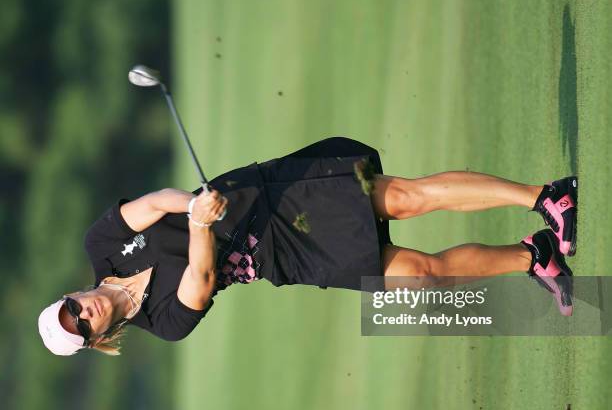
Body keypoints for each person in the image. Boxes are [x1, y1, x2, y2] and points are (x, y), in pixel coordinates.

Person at [37, 137, 578, 356]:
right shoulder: (166, 325)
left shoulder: (103, 243)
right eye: (81, 329)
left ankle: (545, 196)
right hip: (281, 257)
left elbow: (153, 203)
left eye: (71, 311)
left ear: (70, 295)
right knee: (420, 277)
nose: (84, 316)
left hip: (264, 200)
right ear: (96, 340)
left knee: (404, 199)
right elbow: (199, 281)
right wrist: (201, 227)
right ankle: (536, 254)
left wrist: (195, 205)